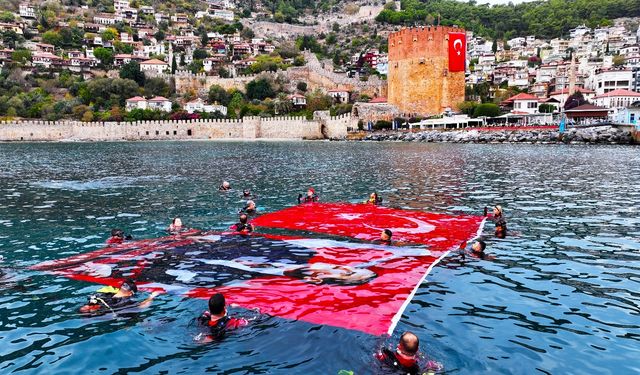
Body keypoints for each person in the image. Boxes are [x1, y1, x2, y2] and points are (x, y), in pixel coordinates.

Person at [79, 279, 159, 314]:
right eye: (124, 284)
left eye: (127, 286)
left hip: (101, 312)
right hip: (93, 309)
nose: (124, 286)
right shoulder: (108, 293)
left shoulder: (127, 301)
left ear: (130, 293)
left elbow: (143, 305)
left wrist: (152, 296)